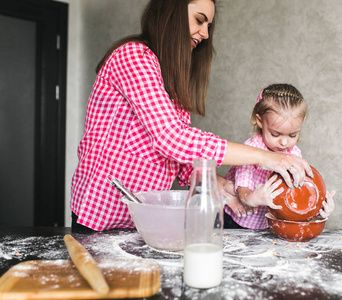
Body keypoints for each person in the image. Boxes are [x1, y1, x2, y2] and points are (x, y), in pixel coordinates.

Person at [70, 0, 313, 232]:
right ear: (171, 10)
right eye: (199, 20)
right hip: (102, 217)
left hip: (144, 218)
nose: (205, 33)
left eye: (208, 26)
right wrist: (264, 158)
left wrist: (222, 185)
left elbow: (175, 159)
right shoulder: (133, 57)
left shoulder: (174, 82)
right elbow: (172, 139)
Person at [224, 84, 336, 229]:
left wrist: (318, 209)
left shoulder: (294, 154)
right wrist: (253, 199)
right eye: (275, 134)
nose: (284, 142)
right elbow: (242, 190)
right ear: (260, 121)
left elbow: (298, 192)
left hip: (267, 225)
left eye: (292, 135)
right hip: (237, 221)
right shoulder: (251, 148)